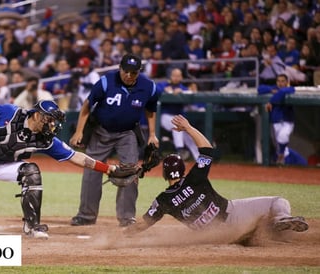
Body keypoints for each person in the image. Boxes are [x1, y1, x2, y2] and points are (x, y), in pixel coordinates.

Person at [0, 100, 122, 239]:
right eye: (49, 119)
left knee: (31, 172)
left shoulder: (47, 141)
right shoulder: (11, 112)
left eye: (54, 121)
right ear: (36, 115)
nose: (52, 125)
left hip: (5, 166)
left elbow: (76, 157)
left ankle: (32, 226)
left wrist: (108, 169)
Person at [124, 114, 308, 243]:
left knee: (260, 228)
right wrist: (188, 128)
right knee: (277, 201)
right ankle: (281, 219)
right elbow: (207, 149)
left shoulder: (163, 200)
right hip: (232, 215)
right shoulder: (195, 178)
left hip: (216, 234)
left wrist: (122, 234)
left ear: (165, 176)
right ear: (182, 170)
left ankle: (268, 229)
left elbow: (143, 224)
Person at [69, 53, 159, 227]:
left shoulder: (149, 87)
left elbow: (150, 110)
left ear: (139, 72)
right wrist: (79, 131)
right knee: (91, 170)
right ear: (120, 69)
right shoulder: (106, 81)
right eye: (126, 71)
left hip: (128, 133)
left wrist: (153, 134)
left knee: (131, 171)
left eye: (134, 72)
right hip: (100, 132)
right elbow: (87, 105)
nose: (129, 75)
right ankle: (86, 216)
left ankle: (127, 218)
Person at [157, 68, 200, 161]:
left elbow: (192, 95)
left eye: (178, 76)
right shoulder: (163, 85)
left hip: (179, 117)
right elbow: (155, 90)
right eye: (174, 75)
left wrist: (182, 92)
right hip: (164, 117)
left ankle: (199, 159)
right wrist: (164, 91)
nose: (176, 78)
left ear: (181, 77)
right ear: (170, 76)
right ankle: (180, 150)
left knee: (188, 135)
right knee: (176, 124)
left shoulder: (183, 88)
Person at [257, 74, 295, 165]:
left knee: (283, 136)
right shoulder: (274, 88)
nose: (280, 83)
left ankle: (282, 156)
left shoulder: (290, 89)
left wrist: (271, 101)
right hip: (275, 122)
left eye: (283, 81)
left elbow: (283, 92)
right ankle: (281, 164)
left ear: (287, 82)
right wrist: (271, 90)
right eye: (278, 81)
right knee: (278, 144)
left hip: (287, 121)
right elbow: (260, 88)